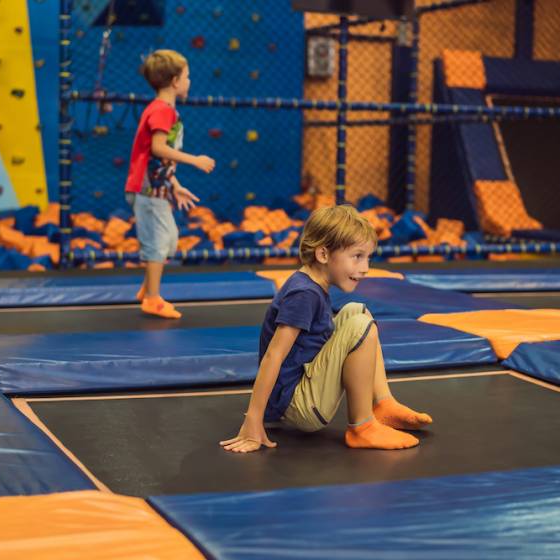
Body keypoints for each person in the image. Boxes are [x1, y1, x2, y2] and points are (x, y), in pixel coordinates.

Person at [220, 205, 432, 453]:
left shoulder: (310, 284)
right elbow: (273, 355)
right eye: (357, 257)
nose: (364, 267)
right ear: (323, 254)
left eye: (368, 258)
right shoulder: (304, 294)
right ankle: (362, 427)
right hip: (300, 405)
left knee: (358, 311)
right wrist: (253, 420)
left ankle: (383, 403)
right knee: (359, 325)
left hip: (298, 392)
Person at [124, 49, 215, 319]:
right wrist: (194, 160)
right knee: (158, 241)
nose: (189, 81)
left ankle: (146, 289)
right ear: (175, 81)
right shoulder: (162, 111)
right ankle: (152, 298)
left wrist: (174, 184)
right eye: (187, 76)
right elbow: (158, 148)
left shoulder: (164, 110)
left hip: (157, 187)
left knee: (170, 240)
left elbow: (154, 158)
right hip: (147, 190)